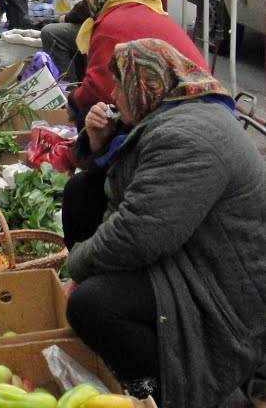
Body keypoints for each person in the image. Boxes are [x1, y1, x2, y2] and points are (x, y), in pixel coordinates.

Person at [63, 39, 266, 408]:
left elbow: (138, 232)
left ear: (148, 86)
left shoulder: (186, 138)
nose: (111, 93)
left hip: (225, 292)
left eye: (120, 85)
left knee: (90, 305)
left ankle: (162, 388)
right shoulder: (173, 110)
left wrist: (77, 271)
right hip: (196, 251)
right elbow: (126, 185)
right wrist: (98, 142)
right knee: (82, 191)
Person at [66, 0, 207, 124]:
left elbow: (101, 88)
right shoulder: (148, 10)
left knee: (90, 117)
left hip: (180, 112)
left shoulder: (111, 23)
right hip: (200, 102)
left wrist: (73, 101)